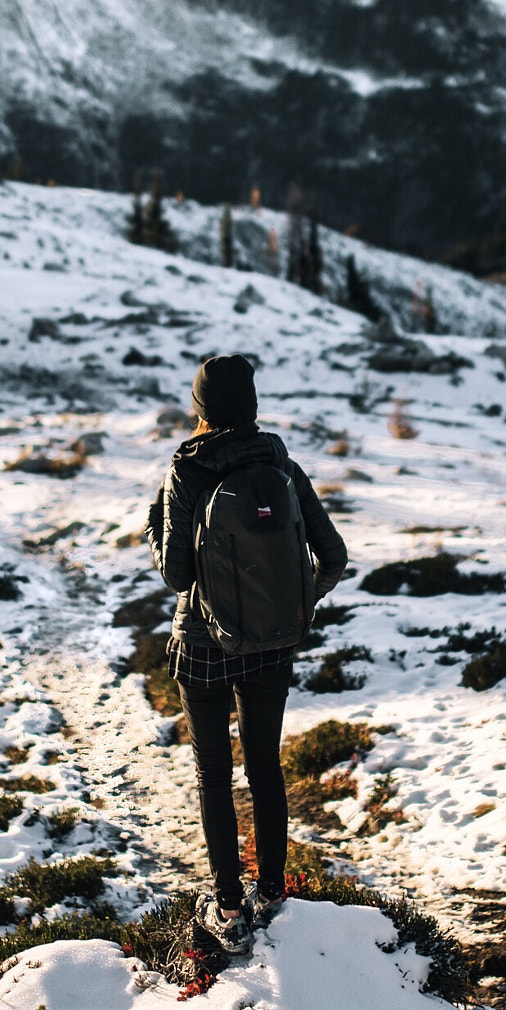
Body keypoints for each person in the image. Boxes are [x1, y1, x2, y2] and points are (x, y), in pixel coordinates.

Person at [147, 354, 348, 955]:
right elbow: (333, 556)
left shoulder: (187, 467)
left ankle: (229, 907)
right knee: (264, 766)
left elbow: (177, 573)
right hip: (270, 645)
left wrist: (156, 527)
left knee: (215, 773)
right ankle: (274, 893)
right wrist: (292, 604)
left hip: (204, 647)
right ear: (252, 403)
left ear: (200, 406)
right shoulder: (277, 459)